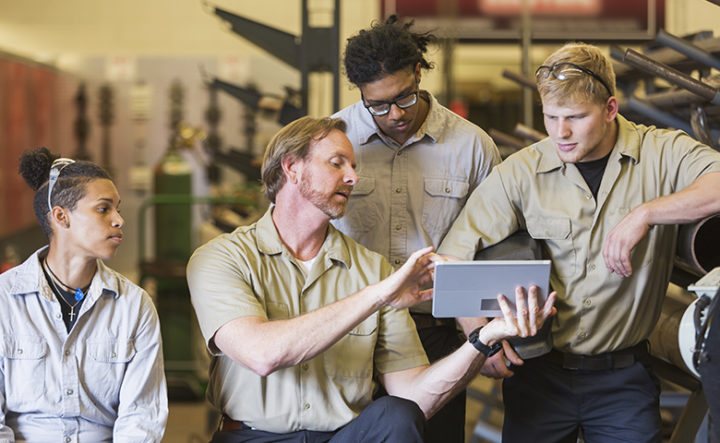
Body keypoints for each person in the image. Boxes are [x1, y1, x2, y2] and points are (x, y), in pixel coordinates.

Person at [187, 116, 555, 443]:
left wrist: (483, 339)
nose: (353, 177)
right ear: (292, 168)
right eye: (336, 163)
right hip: (254, 437)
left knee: (397, 414)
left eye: (353, 165)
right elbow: (262, 354)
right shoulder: (222, 258)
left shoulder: (373, 269)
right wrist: (377, 296)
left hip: (344, 435)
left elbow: (414, 397)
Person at [437, 42, 720, 442]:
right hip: (539, 377)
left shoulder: (661, 153)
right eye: (550, 117)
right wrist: (477, 335)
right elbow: (453, 259)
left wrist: (646, 213)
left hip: (624, 380)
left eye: (575, 117)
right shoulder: (522, 172)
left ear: (610, 109)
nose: (560, 132)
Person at [330, 16, 503, 441]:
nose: (394, 114)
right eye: (378, 105)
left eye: (404, 98)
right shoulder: (333, 142)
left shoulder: (471, 147)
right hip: (350, 336)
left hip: (435, 336)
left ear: (419, 74)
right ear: (361, 94)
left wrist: (483, 328)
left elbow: (494, 246)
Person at [0, 148, 168, 442]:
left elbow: (142, 418)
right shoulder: (5, 300)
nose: (119, 220)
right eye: (104, 209)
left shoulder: (134, 305)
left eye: (118, 209)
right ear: (61, 217)